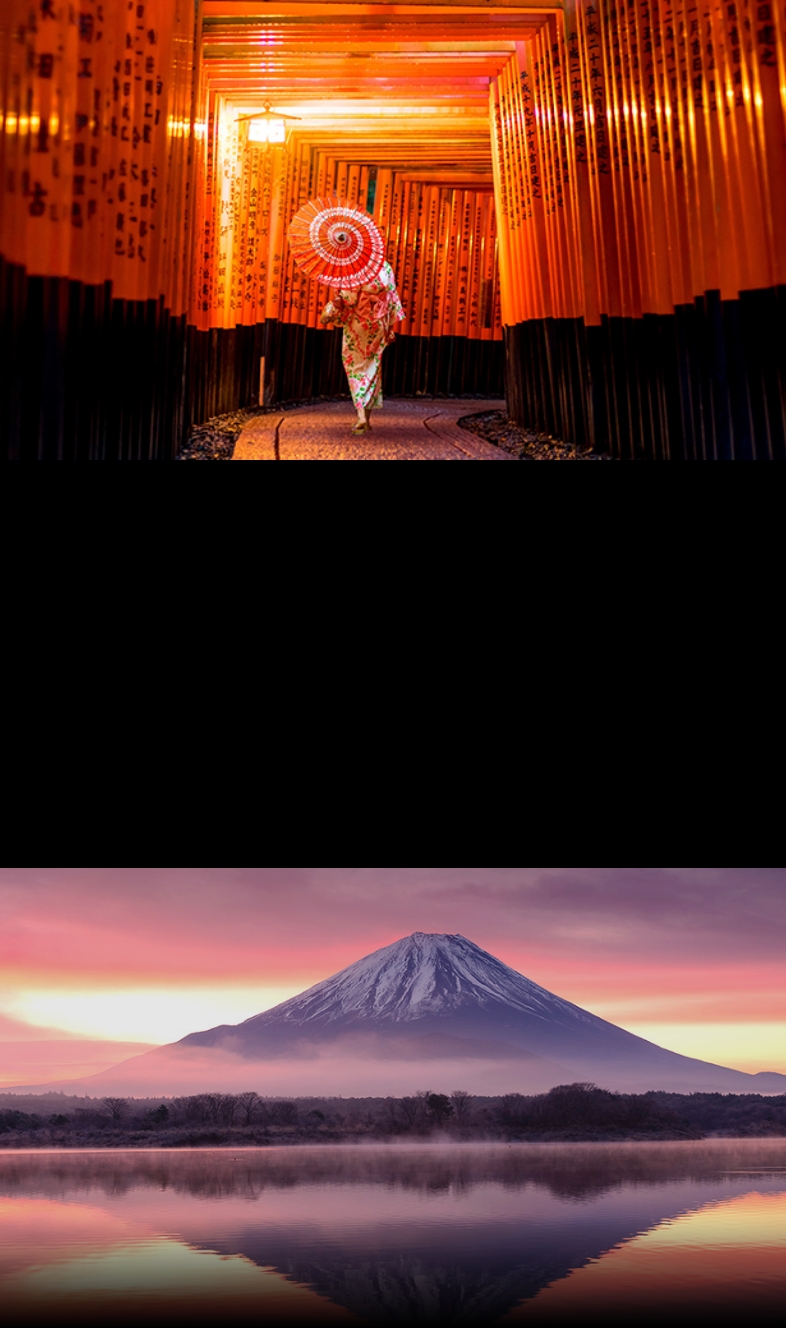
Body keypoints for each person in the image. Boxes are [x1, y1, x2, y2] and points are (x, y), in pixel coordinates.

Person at [320, 259, 405, 434]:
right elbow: (392, 300)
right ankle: (367, 417)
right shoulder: (385, 267)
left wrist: (338, 294)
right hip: (378, 322)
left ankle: (361, 416)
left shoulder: (356, 267)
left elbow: (349, 299)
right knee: (373, 366)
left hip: (359, 322)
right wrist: (390, 327)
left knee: (356, 367)